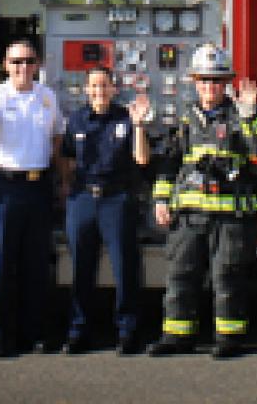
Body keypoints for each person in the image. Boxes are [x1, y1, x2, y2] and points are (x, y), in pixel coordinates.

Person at [147, 43, 257, 360]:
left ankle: (229, 338)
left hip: (230, 216)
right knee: (181, 274)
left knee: (226, 276)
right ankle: (177, 336)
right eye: (204, 80)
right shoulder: (185, 119)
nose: (210, 87)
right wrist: (161, 200)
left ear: (226, 82)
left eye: (216, 80)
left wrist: (250, 113)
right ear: (195, 82)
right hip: (190, 215)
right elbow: (169, 163)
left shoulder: (240, 115)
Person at [0, 39, 64, 357]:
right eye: (16, 62)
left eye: (28, 61)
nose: (23, 67)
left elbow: (57, 136)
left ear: (38, 64)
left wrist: (61, 179)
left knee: (35, 265)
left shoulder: (47, 96)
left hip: (38, 187)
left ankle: (32, 334)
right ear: (5, 65)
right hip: (5, 188)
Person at [59, 67, 150, 356]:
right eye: (94, 86)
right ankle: (79, 332)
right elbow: (67, 157)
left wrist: (139, 125)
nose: (99, 91)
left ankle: (128, 332)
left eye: (104, 85)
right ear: (86, 89)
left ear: (114, 89)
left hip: (116, 200)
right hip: (83, 199)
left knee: (125, 268)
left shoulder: (126, 118)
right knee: (81, 269)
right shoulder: (76, 119)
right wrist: (67, 187)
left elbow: (142, 159)